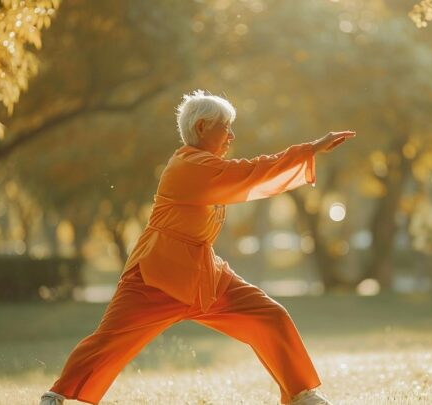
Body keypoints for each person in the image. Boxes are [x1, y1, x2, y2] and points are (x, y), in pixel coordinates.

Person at [39, 90, 356, 405]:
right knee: (110, 341)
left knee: (269, 316)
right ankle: (57, 395)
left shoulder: (208, 165)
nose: (232, 135)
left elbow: (248, 174)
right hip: (156, 274)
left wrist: (307, 153)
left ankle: (300, 395)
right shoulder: (190, 165)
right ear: (203, 127)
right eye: (226, 126)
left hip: (206, 275)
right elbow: (252, 171)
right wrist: (310, 149)